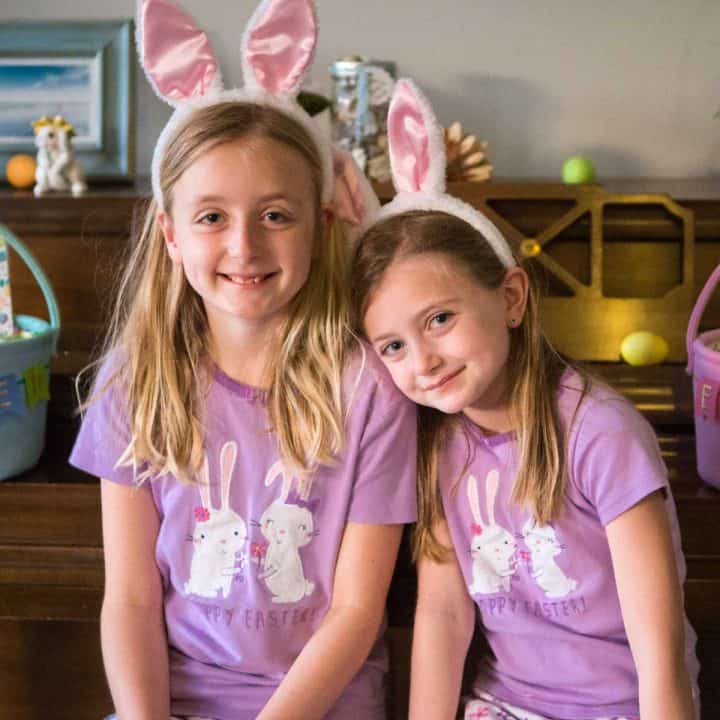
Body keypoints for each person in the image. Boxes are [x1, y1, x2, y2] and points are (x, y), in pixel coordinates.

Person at [69, 1, 417, 718]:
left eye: (275, 215)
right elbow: (132, 597)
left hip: (322, 702)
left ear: (321, 225)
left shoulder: (369, 387)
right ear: (170, 233)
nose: (244, 248)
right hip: (178, 698)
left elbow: (355, 612)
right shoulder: (136, 379)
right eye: (211, 217)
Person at [350, 78, 699, 720]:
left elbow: (660, 646)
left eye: (438, 320)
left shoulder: (600, 432)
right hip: (507, 706)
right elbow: (445, 614)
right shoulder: (436, 441)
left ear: (512, 298)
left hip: (621, 704)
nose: (421, 360)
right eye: (392, 346)